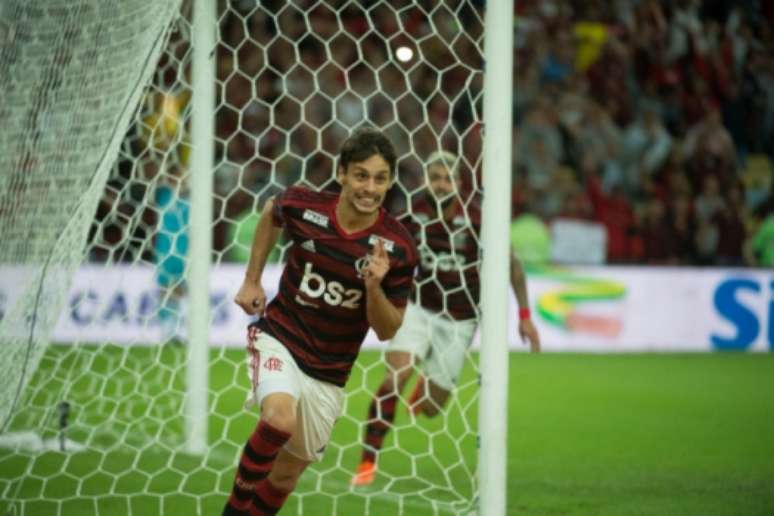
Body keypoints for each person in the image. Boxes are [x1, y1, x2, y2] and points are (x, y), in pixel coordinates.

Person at [223, 128, 418, 515]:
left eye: (380, 178)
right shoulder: (305, 205)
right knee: (278, 420)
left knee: (283, 478)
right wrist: (251, 279)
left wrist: (374, 287)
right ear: (342, 173)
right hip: (280, 336)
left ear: (391, 182)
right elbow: (271, 212)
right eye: (361, 175)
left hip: (330, 371)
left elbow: (386, 329)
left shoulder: (398, 248)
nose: (369, 187)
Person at [351, 151, 541, 487]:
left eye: (447, 178)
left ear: (459, 182)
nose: (440, 184)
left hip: (460, 320)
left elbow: (513, 266)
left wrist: (525, 316)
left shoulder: (479, 221)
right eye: (435, 176)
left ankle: (426, 385)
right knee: (393, 380)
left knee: (431, 409)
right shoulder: (410, 217)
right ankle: (367, 461)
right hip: (418, 309)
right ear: (426, 180)